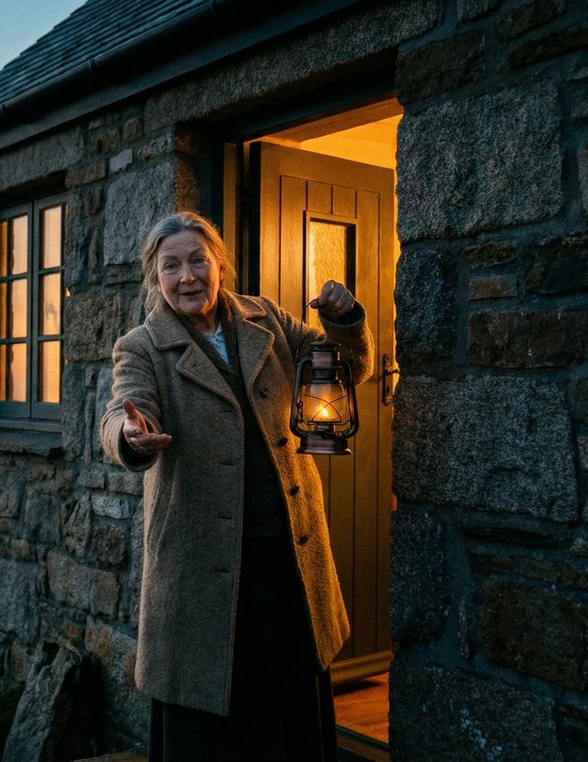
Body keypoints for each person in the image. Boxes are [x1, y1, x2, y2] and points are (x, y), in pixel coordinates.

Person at [100, 211, 374, 760]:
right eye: (171, 266)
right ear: (156, 278)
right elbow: (121, 412)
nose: (187, 277)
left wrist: (346, 321)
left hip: (287, 559)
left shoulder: (266, 320)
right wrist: (130, 434)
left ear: (218, 263)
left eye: (198, 260)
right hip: (204, 568)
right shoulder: (142, 347)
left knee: (290, 705)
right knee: (213, 716)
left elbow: (345, 367)